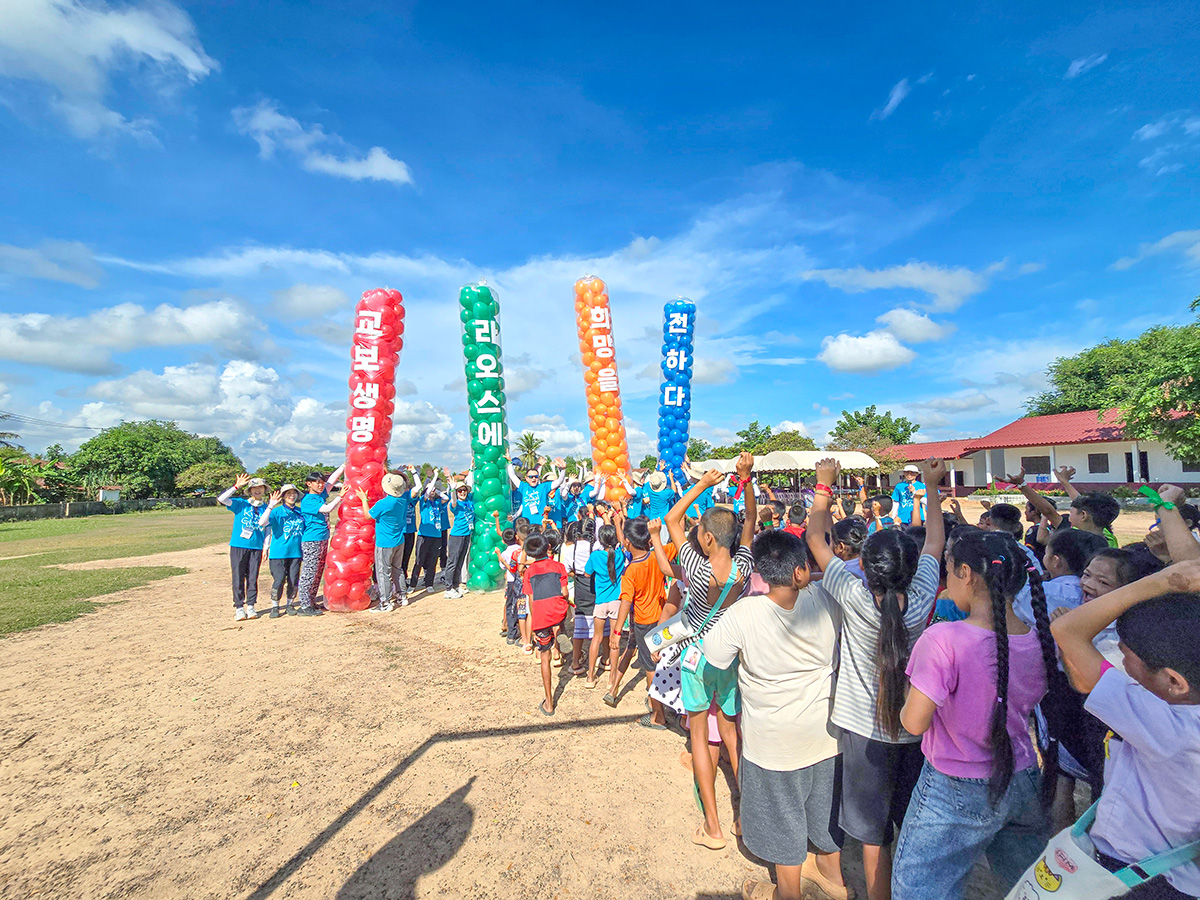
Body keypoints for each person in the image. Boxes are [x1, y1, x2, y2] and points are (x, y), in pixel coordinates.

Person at [806, 457, 945, 900]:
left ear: (862, 567)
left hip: (863, 733)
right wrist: (931, 487)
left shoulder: (851, 594)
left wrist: (824, 485)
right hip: (914, 731)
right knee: (909, 819)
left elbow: (815, 538)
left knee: (873, 834)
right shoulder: (924, 596)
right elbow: (936, 541)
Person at [892, 530, 1057, 899]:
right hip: (1022, 775)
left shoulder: (943, 639)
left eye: (948, 571)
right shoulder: (1038, 637)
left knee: (921, 889)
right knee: (1029, 885)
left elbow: (913, 722)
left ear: (965, 573)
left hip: (955, 782)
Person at [705, 529, 849, 900]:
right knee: (824, 817)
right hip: (826, 735)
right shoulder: (824, 598)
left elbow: (715, 657)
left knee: (784, 824)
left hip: (773, 745)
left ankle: (788, 893)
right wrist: (812, 577)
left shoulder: (743, 613)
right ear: (801, 570)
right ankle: (834, 884)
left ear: (761, 572)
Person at [1050, 558, 1200, 900]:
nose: (1118, 659)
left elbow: (1068, 630)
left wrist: (1162, 582)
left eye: (1126, 655)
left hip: (1136, 877)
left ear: (1174, 681)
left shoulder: (1166, 724)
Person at [666, 452, 758, 852]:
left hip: (697, 657)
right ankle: (746, 817)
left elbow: (672, 519)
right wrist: (745, 478)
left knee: (701, 739)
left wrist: (701, 484)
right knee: (734, 733)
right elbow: (751, 520)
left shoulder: (694, 563)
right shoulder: (742, 564)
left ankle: (713, 826)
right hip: (731, 653)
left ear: (705, 538)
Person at [609, 516, 676, 720]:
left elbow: (626, 602)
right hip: (663, 617)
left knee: (649, 668)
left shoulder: (630, 571)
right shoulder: (659, 555)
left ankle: (658, 715)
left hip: (644, 623)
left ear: (628, 541)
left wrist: (617, 630)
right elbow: (678, 543)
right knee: (663, 662)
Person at [357, 468, 421, 612]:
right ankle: (402, 595)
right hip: (399, 540)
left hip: (385, 543)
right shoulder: (403, 498)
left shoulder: (384, 503)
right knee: (397, 569)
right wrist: (415, 472)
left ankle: (385, 602)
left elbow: (368, 515)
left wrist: (363, 499)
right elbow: (418, 487)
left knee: (383, 571)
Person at [522, 532, 570, 716]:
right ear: (548, 547)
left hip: (541, 616)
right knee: (558, 616)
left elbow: (531, 600)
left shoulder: (529, 572)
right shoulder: (559, 566)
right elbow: (564, 592)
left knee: (544, 656)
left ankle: (549, 703)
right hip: (557, 609)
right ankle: (559, 632)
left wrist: (534, 626)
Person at [219, 473, 270, 621]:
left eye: (260, 487)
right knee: (238, 576)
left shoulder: (266, 508)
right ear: (250, 490)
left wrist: (266, 548)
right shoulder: (241, 504)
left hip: (256, 547)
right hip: (238, 545)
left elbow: (268, 529)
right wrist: (236, 486)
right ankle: (239, 607)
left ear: (264, 489)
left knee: (253, 577)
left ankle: (251, 606)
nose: (257, 490)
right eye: (254, 488)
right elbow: (222, 499)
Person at [297, 465, 345, 616]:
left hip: (323, 538)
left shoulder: (319, 495)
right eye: (316, 482)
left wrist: (344, 465)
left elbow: (331, 481)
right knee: (309, 572)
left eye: (321, 482)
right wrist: (340, 496)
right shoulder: (308, 500)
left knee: (318, 572)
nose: (320, 484)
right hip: (312, 539)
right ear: (308, 484)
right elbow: (327, 509)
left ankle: (311, 601)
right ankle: (304, 605)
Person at [584, 520, 626, 691]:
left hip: (600, 601)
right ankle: (612, 678)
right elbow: (622, 542)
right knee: (615, 641)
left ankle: (590, 676)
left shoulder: (594, 556)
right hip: (616, 601)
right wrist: (617, 523)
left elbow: (587, 574)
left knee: (597, 638)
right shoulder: (620, 554)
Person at [259, 483, 306, 617]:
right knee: (279, 579)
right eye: (288, 493)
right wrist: (271, 505)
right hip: (278, 553)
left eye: (294, 493)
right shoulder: (276, 511)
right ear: (283, 496)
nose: (292, 496)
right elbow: (262, 523)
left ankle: (290, 604)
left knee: (293, 579)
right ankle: (275, 606)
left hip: (295, 552)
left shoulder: (299, 512)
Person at [411, 479, 449, 593]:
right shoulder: (424, 500)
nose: (432, 491)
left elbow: (446, 498)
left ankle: (429, 583)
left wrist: (437, 490)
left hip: (436, 536)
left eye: (433, 489)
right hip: (424, 535)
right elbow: (427, 493)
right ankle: (412, 584)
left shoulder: (437, 502)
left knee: (432, 561)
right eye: (430, 489)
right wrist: (435, 476)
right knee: (419, 560)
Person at [443, 470, 474, 599]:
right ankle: (448, 588)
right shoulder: (456, 504)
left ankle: (456, 585)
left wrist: (471, 468)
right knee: (453, 561)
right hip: (457, 535)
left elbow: (471, 481)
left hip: (467, 534)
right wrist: (452, 488)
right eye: (460, 490)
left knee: (460, 561)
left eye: (464, 490)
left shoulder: (469, 500)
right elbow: (454, 501)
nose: (462, 492)